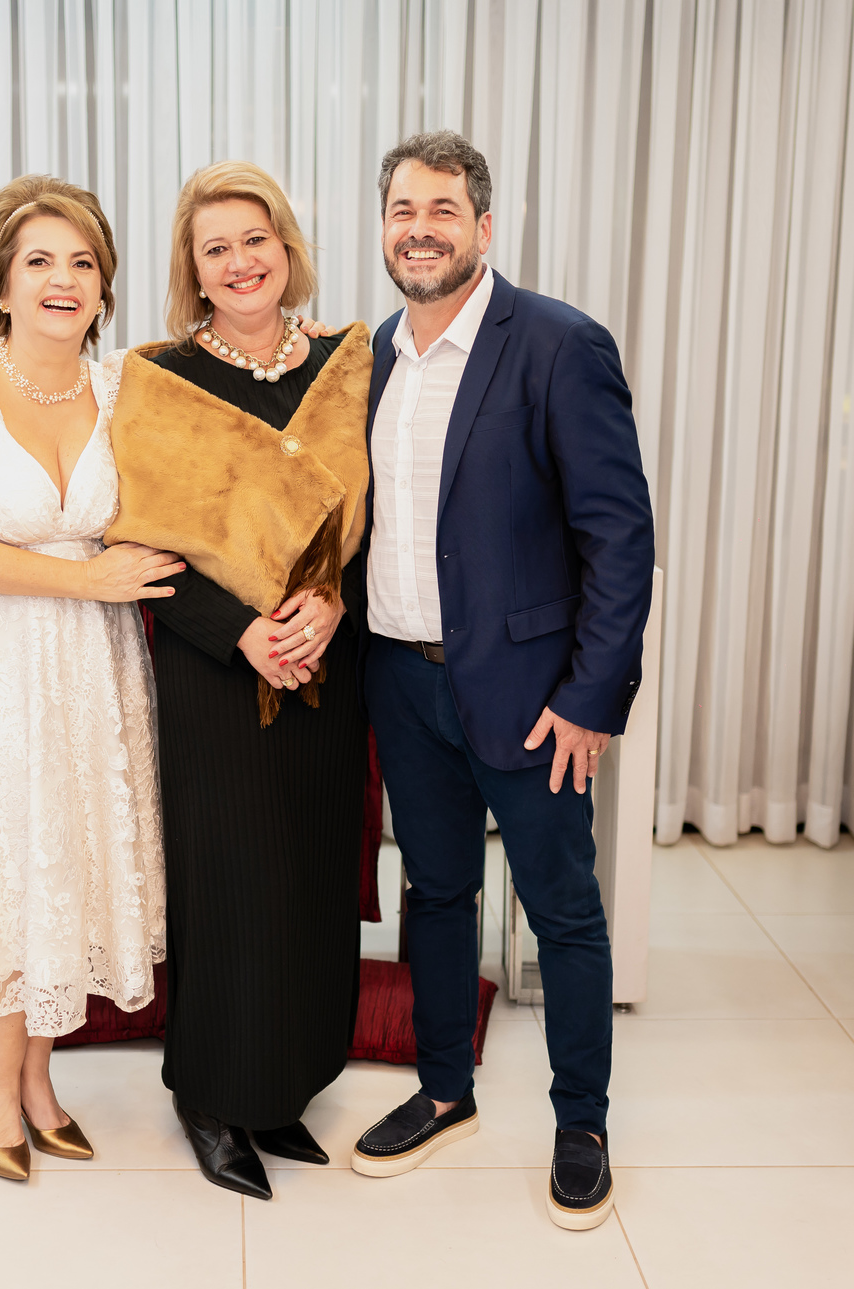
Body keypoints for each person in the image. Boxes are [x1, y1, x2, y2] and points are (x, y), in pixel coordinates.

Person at [350, 132, 655, 1231]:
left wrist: (589, 696)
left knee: (562, 908)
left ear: (483, 226)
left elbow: (620, 536)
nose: (419, 228)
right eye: (402, 209)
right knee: (436, 894)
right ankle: (444, 1091)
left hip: (531, 694)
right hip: (402, 678)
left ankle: (583, 1124)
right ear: (384, 227)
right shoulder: (375, 353)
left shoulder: (561, 345)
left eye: (442, 209)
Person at [0, 175, 180, 1182]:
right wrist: (91, 577)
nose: (63, 279)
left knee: (68, 858)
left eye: (83, 262)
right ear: (2, 284)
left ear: (104, 286)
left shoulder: (124, 386)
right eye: (40, 261)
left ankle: (38, 1075)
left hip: (93, 667)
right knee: (9, 859)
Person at [103, 161, 372, 1201]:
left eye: (255, 238)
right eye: (215, 248)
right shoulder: (158, 378)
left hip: (325, 663)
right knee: (229, 884)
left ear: (287, 247)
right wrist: (242, 631)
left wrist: (332, 603)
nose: (240, 261)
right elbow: (142, 543)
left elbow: (374, 516)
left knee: (309, 876)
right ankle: (212, 1096)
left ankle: (280, 1085)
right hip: (217, 670)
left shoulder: (348, 363)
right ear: (194, 270)